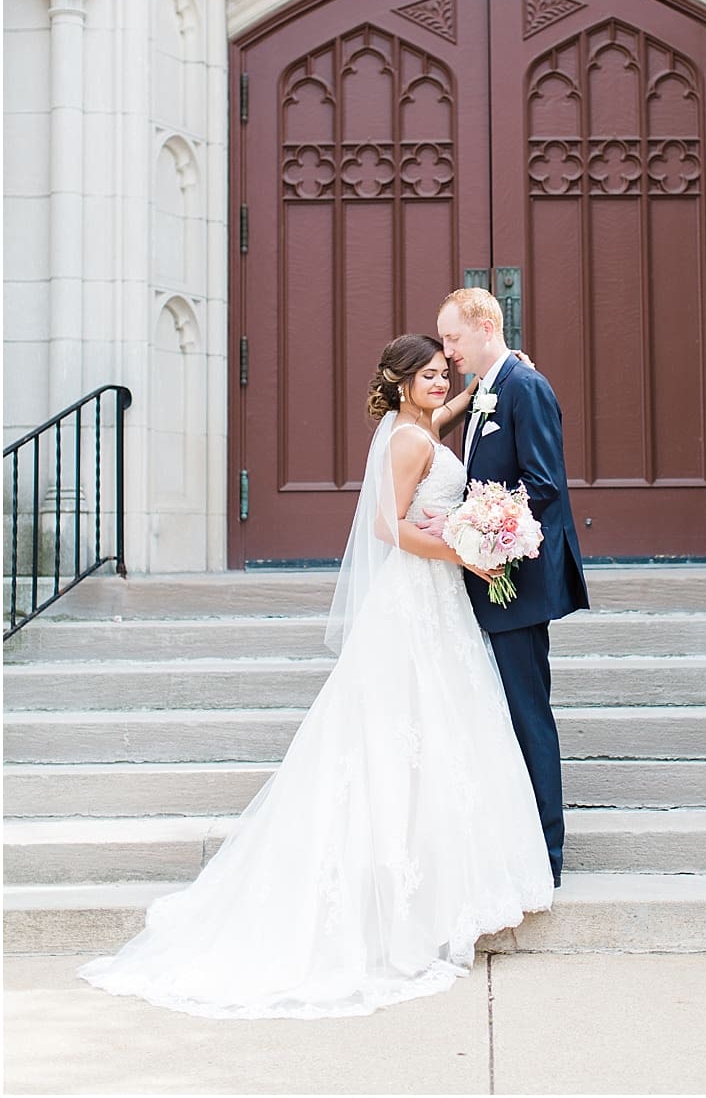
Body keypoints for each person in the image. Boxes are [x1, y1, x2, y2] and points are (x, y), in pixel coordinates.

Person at [80, 334, 553, 1018]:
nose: (437, 383)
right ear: (397, 385)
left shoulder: (416, 426)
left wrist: (486, 389)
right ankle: (407, 894)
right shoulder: (408, 442)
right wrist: (466, 553)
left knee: (435, 728)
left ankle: (437, 880)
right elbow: (390, 529)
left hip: (433, 600)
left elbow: (433, 430)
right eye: (426, 376)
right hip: (419, 593)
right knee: (406, 732)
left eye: (439, 374)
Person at [425, 288, 590, 886]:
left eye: (453, 339)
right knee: (500, 716)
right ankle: (511, 844)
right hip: (488, 579)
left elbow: (543, 486)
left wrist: (473, 535)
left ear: (485, 325)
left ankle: (546, 857)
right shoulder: (486, 389)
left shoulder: (525, 387)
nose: (447, 353)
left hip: (516, 582)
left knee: (527, 714)